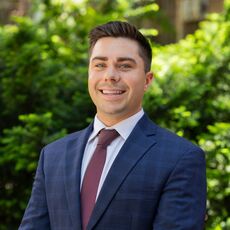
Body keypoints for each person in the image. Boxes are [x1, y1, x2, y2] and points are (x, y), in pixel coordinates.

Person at [19, 21, 206, 230]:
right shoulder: (53, 155)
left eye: (125, 66)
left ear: (147, 80)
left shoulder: (181, 158)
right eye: (100, 65)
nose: (110, 76)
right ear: (89, 74)